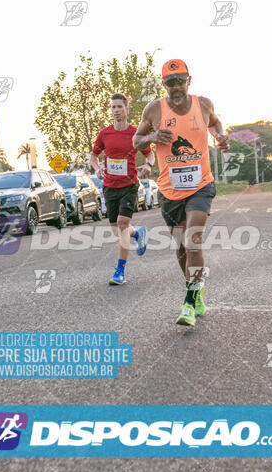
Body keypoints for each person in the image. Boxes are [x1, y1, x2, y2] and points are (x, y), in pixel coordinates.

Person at [133, 59, 229, 326]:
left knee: (194, 238)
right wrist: (152, 138)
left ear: (189, 80)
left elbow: (216, 123)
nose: (175, 86)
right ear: (163, 84)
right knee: (182, 247)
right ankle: (196, 290)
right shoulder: (154, 110)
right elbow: (136, 140)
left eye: (180, 80)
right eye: (170, 82)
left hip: (201, 184)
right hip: (169, 189)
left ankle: (188, 303)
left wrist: (220, 137)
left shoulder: (204, 104)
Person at [90, 93, 155, 285]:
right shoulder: (104, 134)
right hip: (110, 187)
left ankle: (120, 271)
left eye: (119, 107)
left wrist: (148, 166)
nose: (116, 110)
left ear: (127, 109)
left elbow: (150, 155)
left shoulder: (135, 134)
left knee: (122, 224)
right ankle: (138, 233)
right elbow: (93, 156)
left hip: (129, 185)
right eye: (113, 107)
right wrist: (97, 169)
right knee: (116, 230)